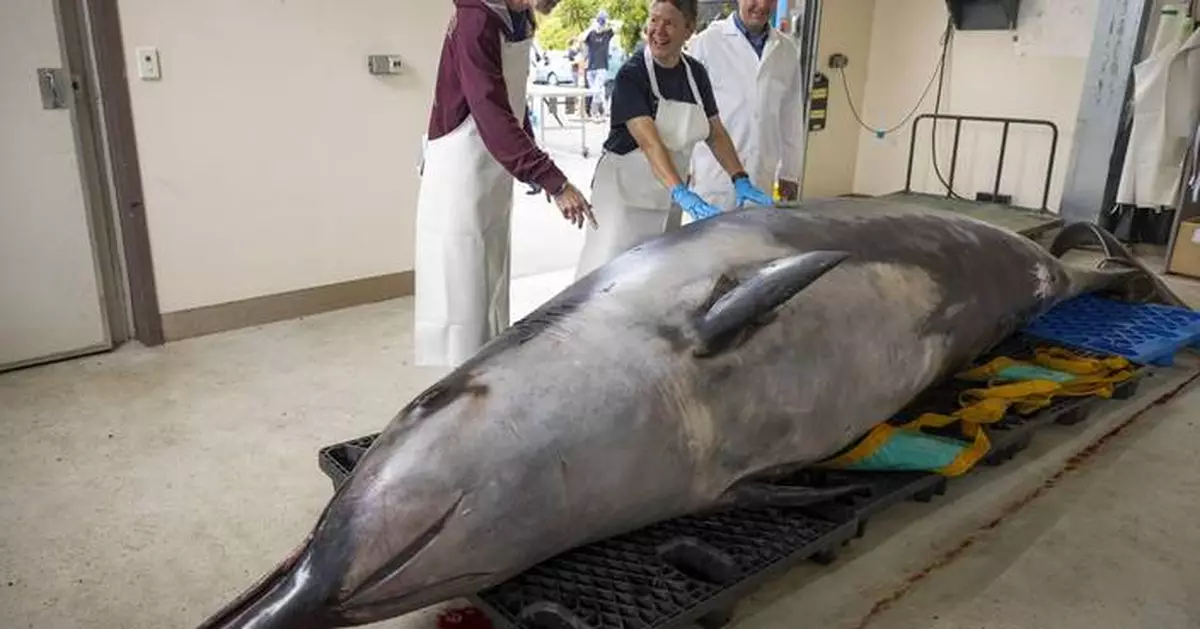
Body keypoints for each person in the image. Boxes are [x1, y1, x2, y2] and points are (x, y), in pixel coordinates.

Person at [414, 0, 597, 368]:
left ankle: (484, 374)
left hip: (490, 166)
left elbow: (511, 100)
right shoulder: (476, 18)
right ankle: (461, 389)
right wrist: (553, 180)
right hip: (460, 171)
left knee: (491, 277)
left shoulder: (519, 17)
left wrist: (528, 155)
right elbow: (490, 112)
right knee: (464, 288)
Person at [575, 0, 773, 279]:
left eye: (669, 23)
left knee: (655, 277)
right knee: (608, 276)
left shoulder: (696, 74)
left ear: (689, 29)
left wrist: (739, 178)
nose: (658, 30)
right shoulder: (632, 75)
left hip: (668, 195)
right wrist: (682, 193)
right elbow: (649, 143)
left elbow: (715, 133)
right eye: (654, 20)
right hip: (624, 197)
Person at [687, 0, 806, 209]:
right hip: (713, 179)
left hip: (761, 178)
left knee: (755, 240)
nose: (761, 5)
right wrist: (684, 169)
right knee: (708, 240)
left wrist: (790, 172)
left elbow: (791, 117)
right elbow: (688, 112)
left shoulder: (786, 50)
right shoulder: (706, 44)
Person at [582, 10, 616, 118]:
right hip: (591, 68)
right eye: (600, 21)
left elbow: (616, 27)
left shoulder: (607, 34)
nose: (600, 24)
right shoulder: (591, 34)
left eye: (602, 21)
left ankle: (594, 112)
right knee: (596, 92)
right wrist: (591, 27)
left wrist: (607, 22)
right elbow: (582, 39)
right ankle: (604, 111)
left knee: (597, 89)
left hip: (602, 67)